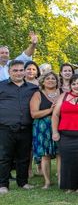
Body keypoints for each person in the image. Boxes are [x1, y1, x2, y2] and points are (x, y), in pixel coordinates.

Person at [0, 61, 39, 194]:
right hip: (5, 127)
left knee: (24, 157)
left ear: (24, 71)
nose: (18, 73)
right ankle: (3, 184)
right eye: (15, 70)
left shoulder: (32, 88)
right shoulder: (1, 86)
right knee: (4, 157)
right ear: (9, 71)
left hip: (26, 127)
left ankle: (23, 182)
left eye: (21, 70)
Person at [29, 71, 61, 188]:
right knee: (45, 155)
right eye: (48, 78)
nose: (51, 80)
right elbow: (34, 114)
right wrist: (50, 110)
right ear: (43, 81)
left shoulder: (62, 93)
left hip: (59, 125)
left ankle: (60, 180)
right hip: (43, 127)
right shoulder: (37, 94)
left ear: (57, 81)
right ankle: (47, 181)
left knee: (60, 153)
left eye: (53, 78)